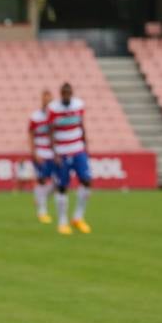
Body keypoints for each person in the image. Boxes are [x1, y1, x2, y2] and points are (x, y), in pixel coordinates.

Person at [48, 82, 91, 235]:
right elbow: (51, 132)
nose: (67, 95)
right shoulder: (54, 108)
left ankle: (78, 217)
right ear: (61, 94)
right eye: (64, 93)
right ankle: (62, 221)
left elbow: (81, 125)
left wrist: (86, 147)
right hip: (62, 152)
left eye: (69, 93)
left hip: (78, 149)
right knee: (62, 186)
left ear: (71, 93)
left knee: (86, 180)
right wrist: (55, 153)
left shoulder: (79, 105)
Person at [28, 89, 55, 224]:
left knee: (58, 183)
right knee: (42, 180)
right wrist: (34, 152)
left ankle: (40, 198)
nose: (47, 101)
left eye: (49, 99)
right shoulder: (35, 117)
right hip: (41, 153)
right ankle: (42, 212)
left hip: (53, 153)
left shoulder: (56, 116)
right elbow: (31, 134)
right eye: (45, 98)